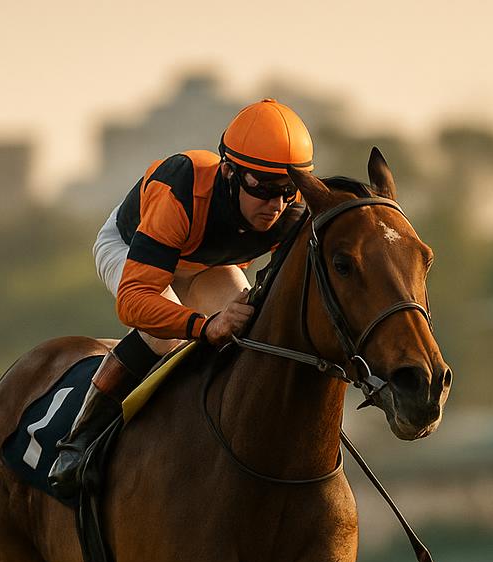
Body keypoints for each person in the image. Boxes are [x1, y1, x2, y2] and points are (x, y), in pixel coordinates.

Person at [46, 98, 313, 497]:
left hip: (201, 262)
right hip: (130, 247)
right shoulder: (182, 187)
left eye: (288, 190)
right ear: (228, 171)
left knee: (246, 324)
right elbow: (134, 301)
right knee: (165, 333)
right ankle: (78, 442)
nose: (275, 205)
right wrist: (203, 326)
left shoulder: (289, 212)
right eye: (262, 187)